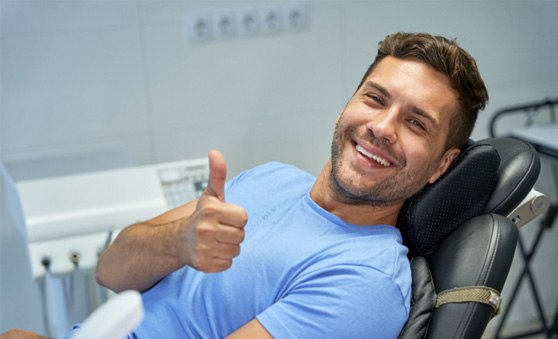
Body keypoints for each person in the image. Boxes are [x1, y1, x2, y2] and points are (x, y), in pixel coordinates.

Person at [1, 31, 488, 339]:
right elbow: (110, 271)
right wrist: (178, 241)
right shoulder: (270, 179)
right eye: (375, 98)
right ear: (348, 105)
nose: (382, 127)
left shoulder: (365, 280)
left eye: (416, 123)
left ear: (441, 165)